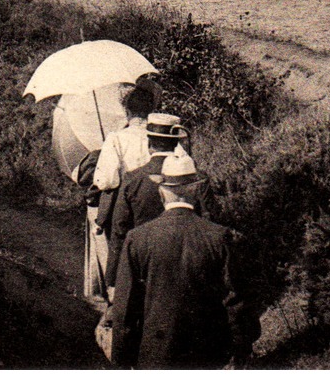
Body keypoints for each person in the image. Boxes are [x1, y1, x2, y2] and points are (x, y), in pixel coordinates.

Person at [106, 153, 253, 369]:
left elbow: (125, 308)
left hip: (155, 354)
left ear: (161, 191)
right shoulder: (219, 237)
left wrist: (122, 359)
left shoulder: (137, 238)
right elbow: (236, 299)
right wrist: (241, 349)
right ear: (194, 191)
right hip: (209, 354)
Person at [84, 80, 157, 303]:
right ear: (150, 111)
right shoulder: (162, 137)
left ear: (127, 112)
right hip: (159, 201)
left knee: (103, 225)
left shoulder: (117, 138)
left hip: (128, 204)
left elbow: (106, 180)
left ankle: (110, 290)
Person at [105, 112, 188, 292]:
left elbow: (120, 230)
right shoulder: (196, 178)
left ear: (149, 145)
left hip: (145, 267)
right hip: (186, 264)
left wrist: (112, 280)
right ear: (176, 143)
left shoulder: (132, 179)